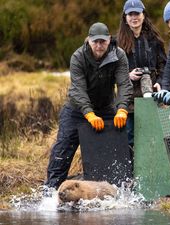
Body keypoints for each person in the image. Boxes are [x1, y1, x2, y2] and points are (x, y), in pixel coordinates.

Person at [44, 22, 133, 189]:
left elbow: (124, 84)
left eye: (103, 42)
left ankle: (117, 191)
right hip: (76, 110)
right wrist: (89, 114)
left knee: (115, 148)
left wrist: (121, 109)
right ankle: (50, 191)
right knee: (63, 149)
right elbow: (78, 90)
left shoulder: (119, 55)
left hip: (106, 108)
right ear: (88, 41)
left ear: (109, 40)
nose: (99, 46)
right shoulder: (78, 57)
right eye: (95, 42)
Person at [117, 0, 166, 148]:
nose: (134, 17)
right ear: (125, 18)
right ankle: (132, 170)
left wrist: (160, 82)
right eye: (130, 14)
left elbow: (164, 65)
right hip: (128, 98)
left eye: (137, 13)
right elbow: (111, 71)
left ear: (143, 15)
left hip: (150, 95)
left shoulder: (154, 40)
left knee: (153, 134)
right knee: (130, 137)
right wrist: (127, 75)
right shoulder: (117, 43)